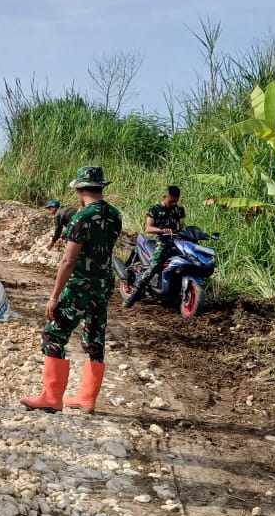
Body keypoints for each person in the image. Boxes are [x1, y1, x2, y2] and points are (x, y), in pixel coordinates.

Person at [22, 167, 122, 414]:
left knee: (54, 334)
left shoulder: (82, 217)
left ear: (79, 189)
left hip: (81, 286)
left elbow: (68, 260)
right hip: (103, 285)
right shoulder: (115, 215)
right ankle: (87, 398)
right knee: (95, 337)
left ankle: (51, 397)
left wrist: (54, 296)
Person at [124, 185, 186, 307]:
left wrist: (185, 233)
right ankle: (133, 296)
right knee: (153, 268)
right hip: (162, 243)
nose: (173, 203)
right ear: (165, 196)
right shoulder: (155, 209)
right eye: (171, 201)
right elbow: (148, 228)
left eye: (175, 201)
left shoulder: (179, 209)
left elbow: (182, 226)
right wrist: (162, 230)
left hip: (177, 243)